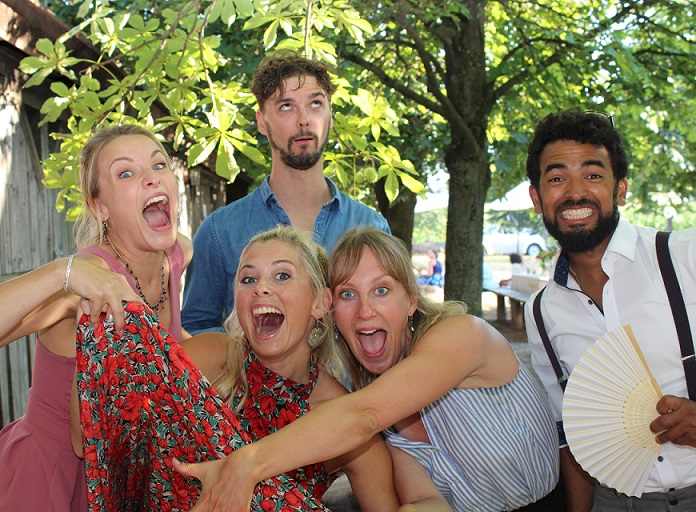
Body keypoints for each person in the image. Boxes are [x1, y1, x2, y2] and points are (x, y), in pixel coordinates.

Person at [175, 227, 561, 512]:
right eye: (348, 294)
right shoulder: (386, 416)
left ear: (411, 299)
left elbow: (362, 415)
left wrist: (245, 464)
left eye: (381, 290)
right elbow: (425, 500)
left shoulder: (462, 335)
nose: (364, 310)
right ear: (331, 308)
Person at [0, 124, 192, 511]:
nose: (152, 177)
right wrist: (61, 273)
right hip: (48, 479)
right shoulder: (83, 282)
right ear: (100, 207)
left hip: (128, 479)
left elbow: (167, 339)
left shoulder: (177, 255)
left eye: (159, 164)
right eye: (126, 173)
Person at [523, 110, 696, 511]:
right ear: (537, 198)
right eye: (556, 178)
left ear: (621, 189)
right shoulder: (541, 314)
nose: (575, 192)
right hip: (613, 501)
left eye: (593, 174)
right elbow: (570, 435)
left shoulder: (684, 259)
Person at [181, 225, 399, 510]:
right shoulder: (207, 359)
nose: (261, 287)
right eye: (248, 279)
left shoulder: (341, 417)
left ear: (320, 302)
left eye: (282, 275)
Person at [181, 51, 390, 335]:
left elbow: (394, 325)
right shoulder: (220, 232)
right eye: (286, 106)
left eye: (316, 104)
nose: (304, 119)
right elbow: (195, 331)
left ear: (330, 116)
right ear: (261, 122)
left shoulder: (372, 227)